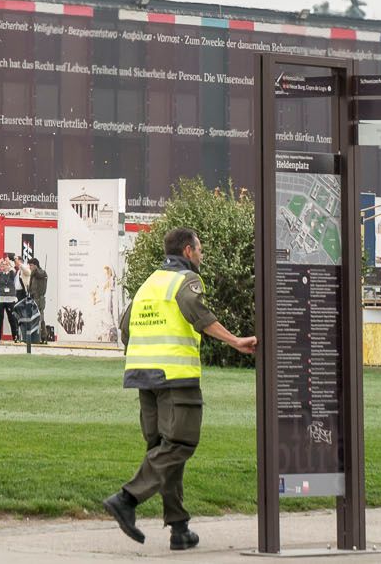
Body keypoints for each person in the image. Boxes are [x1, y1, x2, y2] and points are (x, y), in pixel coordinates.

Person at [103, 227, 256, 552]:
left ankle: (179, 528)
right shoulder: (186, 280)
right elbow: (195, 311)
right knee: (180, 444)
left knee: (162, 449)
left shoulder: (149, 283)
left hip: (143, 378)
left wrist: (144, 358)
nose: (201, 254)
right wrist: (235, 341)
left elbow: (126, 327)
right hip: (175, 377)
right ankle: (126, 499)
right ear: (188, 251)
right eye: (199, 249)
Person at [0, 256, 21, 340]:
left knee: (12, 318)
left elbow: (13, 271)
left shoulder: (12, 274)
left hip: (10, 298)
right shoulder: (0, 274)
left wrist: (9, 263)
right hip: (0, 298)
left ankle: (15, 337)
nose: (4, 266)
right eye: (3, 265)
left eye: (6, 265)